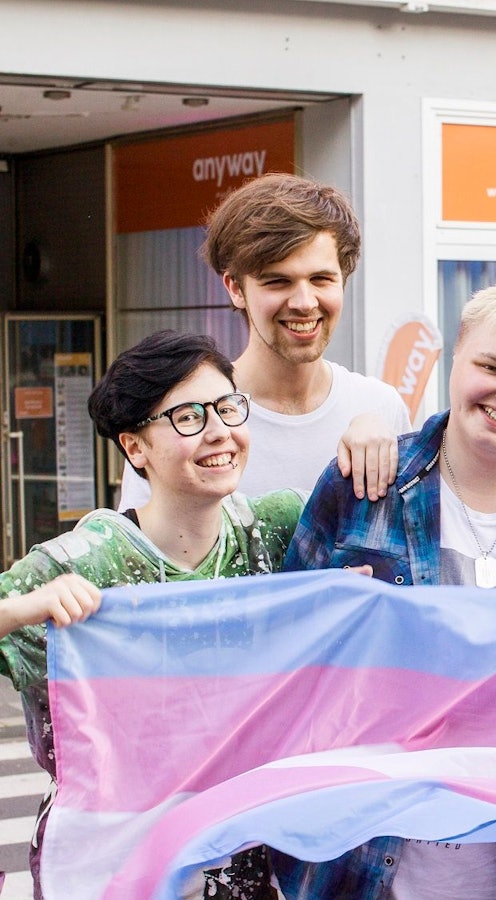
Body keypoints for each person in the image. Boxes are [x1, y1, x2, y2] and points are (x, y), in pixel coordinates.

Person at [272, 279, 496, 898]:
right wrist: (329, 624)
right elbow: (280, 662)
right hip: (361, 865)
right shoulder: (364, 486)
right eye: (491, 367)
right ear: (456, 359)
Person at [0, 331, 304, 899]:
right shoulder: (89, 560)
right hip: (110, 867)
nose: (219, 432)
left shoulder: (275, 530)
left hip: (240, 859)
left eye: (227, 407)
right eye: (187, 416)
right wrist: (24, 608)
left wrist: (368, 436)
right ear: (135, 448)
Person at [119, 173, 410, 509]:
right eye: (278, 282)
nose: (304, 302)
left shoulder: (380, 408)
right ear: (235, 288)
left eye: (321, 279)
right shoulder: (179, 423)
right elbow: (144, 553)